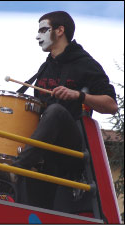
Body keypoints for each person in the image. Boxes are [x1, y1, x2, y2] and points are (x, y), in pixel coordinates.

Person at [12, 11, 118, 210]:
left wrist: (79, 95)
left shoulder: (85, 64)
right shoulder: (45, 68)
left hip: (71, 149)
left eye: (44, 30)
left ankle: (18, 167)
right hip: (46, 153)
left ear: (60, 31)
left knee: (56, 111)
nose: (38, 36)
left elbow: (112, 105)